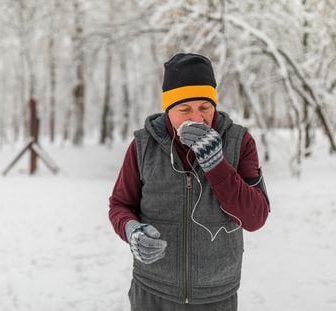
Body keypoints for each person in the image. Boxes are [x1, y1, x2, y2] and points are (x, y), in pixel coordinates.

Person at [109, 53, 270, 310]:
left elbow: (256, 218)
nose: (197, 118)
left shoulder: (239, 142)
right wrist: (132, 231)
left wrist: (217, 164)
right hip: (152, 290)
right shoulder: (143, 145)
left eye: (205, 108)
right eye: (184, 109)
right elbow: (120, 205)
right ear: (168, 110)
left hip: (216, 295)